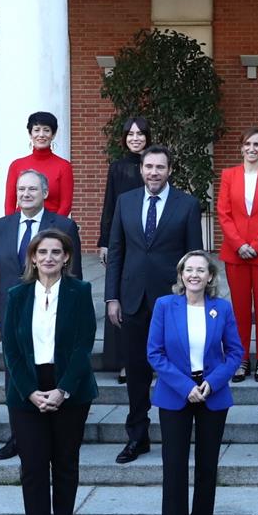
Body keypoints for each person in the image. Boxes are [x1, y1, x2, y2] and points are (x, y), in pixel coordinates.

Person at [0, 229, 98, 515]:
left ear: (66, 257)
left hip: (69, 386)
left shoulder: (80, 291)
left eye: (56, 252)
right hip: (26, 389)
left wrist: (63, 389)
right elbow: (11, 348)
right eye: (42, 252)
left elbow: (84, 345)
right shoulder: (17, 294)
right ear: (32, 257)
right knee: (33, 466)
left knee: (66, 463)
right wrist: (29, 390)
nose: (49, 258)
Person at [105, 145, 204, 464]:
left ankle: (177, 434)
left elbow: (195, 257)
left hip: (173, 301)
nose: (153, 172)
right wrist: (112, 297)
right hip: (132, 299)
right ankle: (137, 435)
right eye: (148, 167)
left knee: (176, 368)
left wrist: (194, 300)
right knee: (136, 371)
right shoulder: (126, 201)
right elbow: (117, 251)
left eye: (160, 167)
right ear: (142, 169)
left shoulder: (187, 204)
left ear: (170, 170)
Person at [148, 251, 245, 515]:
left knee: (206, 469)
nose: (194, 275)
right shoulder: (165, 306)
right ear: (181, 275)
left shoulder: (222, 308)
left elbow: (235, 353)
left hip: (211, 394)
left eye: (200, 270)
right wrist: (182, 386)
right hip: (176, 394)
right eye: (188, 270)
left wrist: (212, 383)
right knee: (174, 471)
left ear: (210, 277)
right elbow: (155, 353)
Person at [0, 169, 83, 461]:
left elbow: (74, 273)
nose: (25, 194)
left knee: (52, 365)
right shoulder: (0, 226)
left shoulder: (63, 225)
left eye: (32, 189)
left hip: (52, 312)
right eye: (21, 189)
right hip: (12, 314)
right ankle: (19, 436)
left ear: (45, 194)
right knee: (14, 372)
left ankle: (56, 429)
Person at [216, 127, 258, 382]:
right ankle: (241, 358)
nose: (252, 149)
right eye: (247, 144)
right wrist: (238, 244)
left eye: (257, 144)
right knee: (240, 309)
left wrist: (256, 244)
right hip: (236, 254)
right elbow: (223, 213)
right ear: (241, 147)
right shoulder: (228, 175)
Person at [97, 116, 151, 384]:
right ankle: (125, 363)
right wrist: (104, 241)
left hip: (151, 244)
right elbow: (109, 205)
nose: (135, 138)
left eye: (140, 134)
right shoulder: (118, 167)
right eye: (131, 134)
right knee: (121, 298)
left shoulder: (155, 164)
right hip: (124, 242)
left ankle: (152, 361)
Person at [3, 111, 74, 217]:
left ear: (53, 135)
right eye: (36, 130)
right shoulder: (16, 165)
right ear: (30, 134)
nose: (41, 135)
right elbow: (9, 203)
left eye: (46, 130)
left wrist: (53, 230)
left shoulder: (64, 166)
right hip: (22, 225)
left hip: (51, 227)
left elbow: (66, 204)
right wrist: (11, 226)